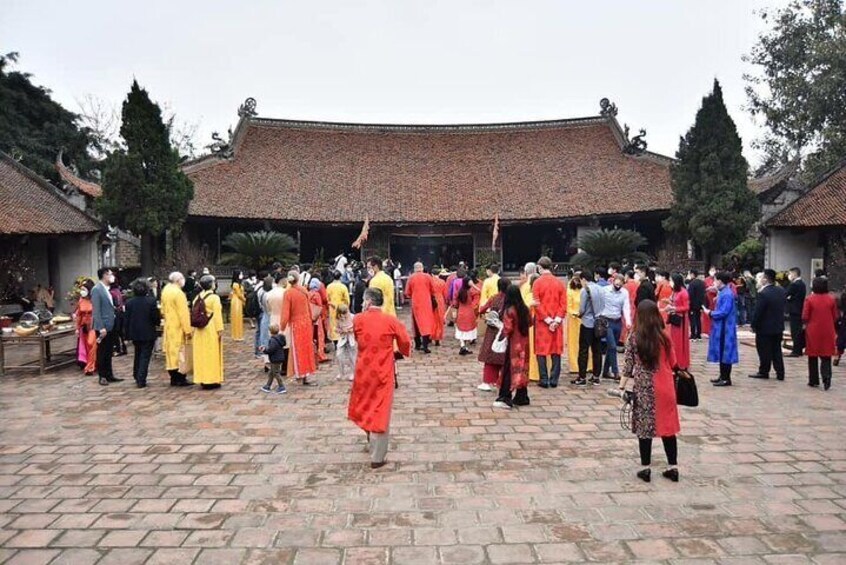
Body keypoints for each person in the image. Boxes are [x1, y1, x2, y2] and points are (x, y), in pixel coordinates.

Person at [348, 288, 412, 469]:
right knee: (381, 409)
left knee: (365, 404)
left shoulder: (358, 319)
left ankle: (370, 435)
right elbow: (405, 341)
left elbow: (356, 338)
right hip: (383, 370)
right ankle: (377, 456)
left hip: (363, 370)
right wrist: (400, 351)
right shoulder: (391, 321)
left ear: (368, 302)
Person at [620, 299, 681, 483]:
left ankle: (645, 468)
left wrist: (621, 387)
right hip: (665, 386)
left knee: (644, 429)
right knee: (668, 428)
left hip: (644, 387)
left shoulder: (634, 336)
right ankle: (672, 467)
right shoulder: (664, 336)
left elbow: (628, 365)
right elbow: (674, 364)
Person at [492, 283, 532, 409]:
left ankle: (505, 397)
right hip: (525, 343)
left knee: (509, 370)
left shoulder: (509, 310)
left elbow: (507, 328)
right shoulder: (525, 309)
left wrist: (500, 331)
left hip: (514, 344)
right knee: (523, 368)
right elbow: (530, 322)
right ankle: (522, 396)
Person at [533, 257, 566, 388]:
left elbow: (536, 304)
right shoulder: (559, 283)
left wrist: (547, 320)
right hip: (557, 323)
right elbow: (563, 304)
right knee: (556, 350)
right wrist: (556, 320)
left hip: (542, 323)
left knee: (541, 351)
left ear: (540, 267)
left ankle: (544, 379)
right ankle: (554, 379)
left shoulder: (537, 283)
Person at [281, 270, 318, 385]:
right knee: (306, 348)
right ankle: (306, 373)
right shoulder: (304, 290)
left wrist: (282, 326)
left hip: (296, 324)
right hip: (306, 323)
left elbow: (286, 313)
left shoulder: (288, 293)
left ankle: (299, 374)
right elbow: (308, 307)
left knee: (297, 349)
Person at [748, 269, 786, 381]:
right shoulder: (781, 291)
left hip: (765, 327)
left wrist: (753, 325)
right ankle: (780, 372)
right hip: (778, 326)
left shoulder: (763, 293)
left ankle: (764, 371)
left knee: (764, 350)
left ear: (765, 279)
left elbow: (758, 311)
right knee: (777, 350)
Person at [123, 278, 161, 388]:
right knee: (145, 356)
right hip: (148, 331)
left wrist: (126, 333)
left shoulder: (129, 302)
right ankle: (141, 378)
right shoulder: (151, 301)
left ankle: (136, 374)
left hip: (135, 332)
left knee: (138, 354)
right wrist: (157, 323)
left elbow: (127, 319)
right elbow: (155, 317)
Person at [802, 277, 837, 390]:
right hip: (828, 329)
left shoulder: (809, 299)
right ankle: (827, 378)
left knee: (813, 355)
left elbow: (805, 316)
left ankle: (813, 380)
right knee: (826, 355)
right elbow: (835, 316)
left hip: (813, 330)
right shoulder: (831, 299)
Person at [705, 272, 739, 387]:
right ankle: (722, 375)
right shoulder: (724, 292)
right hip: (722, 326)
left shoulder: (727, 294)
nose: (714, 283)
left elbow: (724, 311)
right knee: (721, 351)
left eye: (715, 280)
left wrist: (710, 313)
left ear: (720, 281)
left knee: (725, 351)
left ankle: (726, 378)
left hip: (725, 327)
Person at [161, 272, 193, 387]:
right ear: (178, 280)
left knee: (171, 353)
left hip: (169, 325)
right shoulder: (179, 293)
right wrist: (188, 330)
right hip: (178, 327)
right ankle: (180, 378)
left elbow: (162, 310)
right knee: (180, 353)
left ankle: (173, 377)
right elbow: (183, 314)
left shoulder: (166, 290)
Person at [192, 275, 224, 389]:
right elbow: (217, 315)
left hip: (199, 329)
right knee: (211, 354)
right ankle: (211, 379)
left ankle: (202, 378)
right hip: (210, 328)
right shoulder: (214, 298)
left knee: (201, 354)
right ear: (212, 284)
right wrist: (220, 329)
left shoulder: (197, 297)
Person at [478, 277, 509, 391]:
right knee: (504, 357)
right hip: (506, 329)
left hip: (493, 331)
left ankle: (487, 381)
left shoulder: (494, 298)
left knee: (490, 356)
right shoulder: (510, 300)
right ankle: (502, 381)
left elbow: (482, 309)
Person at [92, 268, 121, 387]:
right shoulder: (97, 290)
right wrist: (101, 327)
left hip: (111, 324)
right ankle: (102, 375)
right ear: (104, 275)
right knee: (102, 351)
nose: (112, 276)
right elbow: (96, 311)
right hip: (103, 326)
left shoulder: (107, 289)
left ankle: (109, 374)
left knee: (109, 351)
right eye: (110, 274)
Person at [600, 273, 633, 380]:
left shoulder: (624, 293)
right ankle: (615, 371)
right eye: (616, 283)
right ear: (613, 281)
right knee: (613, 346)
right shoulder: (605, 290)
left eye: (620, 284)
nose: (618, 286)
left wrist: (628, 321)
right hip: (606, 320)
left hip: (617, 321)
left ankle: (605, 371)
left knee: (611, 347)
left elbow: (626, 307)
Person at [575, 271, 603, 386]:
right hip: (598, 323)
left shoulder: (585, 290)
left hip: (587, 323)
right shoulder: (600, 289)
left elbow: (582, 309)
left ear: (584, 279)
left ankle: (582, 377)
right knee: (597, 351)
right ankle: (596, 376)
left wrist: (578, 314)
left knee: (583, 351)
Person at [404, 262, 436, 353]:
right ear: (422, 268)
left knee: (416, 323)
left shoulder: (411, 278)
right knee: (426, 322)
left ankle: (418, 344)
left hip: (416, 303)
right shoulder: (428, 277)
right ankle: (425, 345)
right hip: (426, 302)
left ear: (414, 269)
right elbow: (433, 290)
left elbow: (407, 292)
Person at [665, 273, 690, 371]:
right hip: (674, 318)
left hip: (681, 320)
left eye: (671, 281)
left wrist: (674, 308)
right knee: (674, 341)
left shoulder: (683, 292)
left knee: (680, 342)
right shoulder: (674, 292)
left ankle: (681, 362)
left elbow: (686, 307)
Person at [520, 262, 540, 382]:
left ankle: (533, 372)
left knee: (531, 347)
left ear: (526, 272)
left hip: (530, 319)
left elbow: (523, 304)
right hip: (543, 319)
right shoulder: (540, 282)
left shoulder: (526, 285)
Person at [450, 276, 480, 355]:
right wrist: (474, 286)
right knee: (468, 330)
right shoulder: (471, 292)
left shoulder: (459, 292)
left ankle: (462, 346)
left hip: (461, 312)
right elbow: (478, 293)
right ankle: (464, 347)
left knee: (461, 330)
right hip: (470, 312)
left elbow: (455, 303)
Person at [566, 274, 589, 374]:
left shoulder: (584, 291)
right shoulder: (569, 292)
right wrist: (574, 313)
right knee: (574, 343)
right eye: (574, 279)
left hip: (584, 319)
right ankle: (574, 366)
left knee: (585, 343)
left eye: (578, 280)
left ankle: (588, 365)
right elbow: (568, 306)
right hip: (573, 320)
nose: (576, 282)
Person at [74, 279, 97, 376]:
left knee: (91, 343)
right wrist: (77, 328)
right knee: (87, 346)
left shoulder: (95, 300)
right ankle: (90, 364)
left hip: (94, 325)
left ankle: (90, 367)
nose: (82, 291)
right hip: (84, 326)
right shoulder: (81, 300)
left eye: (84, 289)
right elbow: (79, 315)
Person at [786, 267, 807, 357]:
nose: (789, 276)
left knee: (795, 331)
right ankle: (798, 349)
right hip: (799, 309)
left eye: (790, 274)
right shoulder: (802, 283)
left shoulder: (795, 284)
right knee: (798, 330)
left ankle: (796, 350)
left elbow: (786, 294)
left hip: (795, 310)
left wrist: (789, 298)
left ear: (794, 274)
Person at [261, 324, 288, 394]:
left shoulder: (272, 340)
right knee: (271, 373)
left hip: (275, 359)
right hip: (279, 358)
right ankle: (267, 386)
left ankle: (282, 387)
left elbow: (270, 350)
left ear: (270, 331)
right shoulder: (280, 338)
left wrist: (264, 350)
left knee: (276, 373)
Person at [308, 278, 329, 364]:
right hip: (317, 317)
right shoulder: (317, 295)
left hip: (309, 316)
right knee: (319, 336)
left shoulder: (308, 293)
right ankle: (320, 355)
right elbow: (320, 305)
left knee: (312, 336)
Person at [326, 271, 351, 344]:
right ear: (340, 277)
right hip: (341, 308)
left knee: (333, 324)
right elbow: (347, 299)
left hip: (332, 308)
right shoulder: (343, 287)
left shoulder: (329, 286)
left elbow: (327, 298)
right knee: (341, 323)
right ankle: (342, 339)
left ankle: (335, 340)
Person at [334, 303, 357, 381]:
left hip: (351, 338)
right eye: (342, 314)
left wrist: (350, 330)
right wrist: (341, 330)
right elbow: (336, 329)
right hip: (343, 338)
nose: (344, 315)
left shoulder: (353, 317)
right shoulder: (338, 318)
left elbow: (357, 328)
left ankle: (353, 373)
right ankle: (341, 372)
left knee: (352, 356)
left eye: (345, 313)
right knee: (339, 355)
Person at [109, 276, 128, 357]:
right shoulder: (118, 291)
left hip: (115, 314)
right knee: (121, 332)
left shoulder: (111, 292)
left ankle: (117, 349)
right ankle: (124, 348)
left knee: (115, 332)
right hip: (121, 313)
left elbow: (114, 304)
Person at [686, 270, 706, 340]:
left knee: (692, 320)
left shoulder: (692, 284)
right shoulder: (702, 283)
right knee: (698, 319)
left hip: (692, 304)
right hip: (700, 304)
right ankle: (698, 334)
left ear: (692, 274)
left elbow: (690, 294)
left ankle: (693, 334)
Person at [431, 271, 448, 346]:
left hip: (432, 300)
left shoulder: (431, 281)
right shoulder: (442, 282)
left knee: (433, 319)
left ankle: (432, 335)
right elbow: (445, 294)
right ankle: (438, 337)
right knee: (440, 320)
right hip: (440, 300)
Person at [229, 270, 246, 341]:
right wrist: (244, 299)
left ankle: (239, 334)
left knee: (239, 318)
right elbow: (239, 294)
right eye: (241, 274)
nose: (242, 275)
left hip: (238, 301)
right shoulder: (235, 284)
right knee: (236, 318)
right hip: (236, 301)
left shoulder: (239, 284)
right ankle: (236, 335)